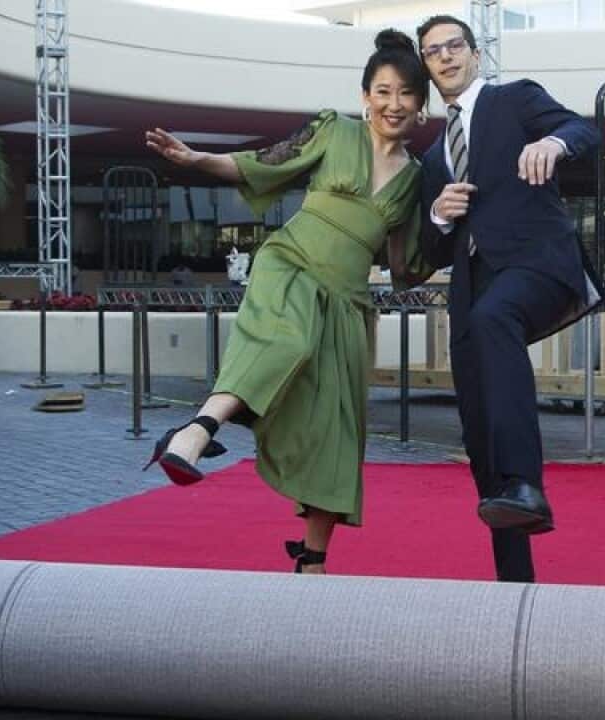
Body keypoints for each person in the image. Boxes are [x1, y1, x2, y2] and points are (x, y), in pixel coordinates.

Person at [143, 29, 439, 574]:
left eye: (405, 94)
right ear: (364, 97)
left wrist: (449, 221)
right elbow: (261, 162)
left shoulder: (418, 181)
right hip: (293, 265)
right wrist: (195, 159)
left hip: (349, 303)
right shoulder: (335, 130)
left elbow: (404, 268)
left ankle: (312, 558)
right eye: (382, 90)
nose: (393, 103)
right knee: (286, 340)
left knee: (337, 426)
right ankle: (195, 432)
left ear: (422, 105)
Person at [416, 15, 603, 583]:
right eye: (432, 52)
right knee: (478, 433)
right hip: (474, 288)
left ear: (474, 54)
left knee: (497, 316)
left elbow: (584, 131)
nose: (445, 57)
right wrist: (436, 215)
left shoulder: (514, 100)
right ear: (426, 66)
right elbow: (430, 253)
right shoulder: (432, 159)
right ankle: (515, 582)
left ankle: (528, 483)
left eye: (454, 46)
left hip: (538, 264)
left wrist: (552, 141)